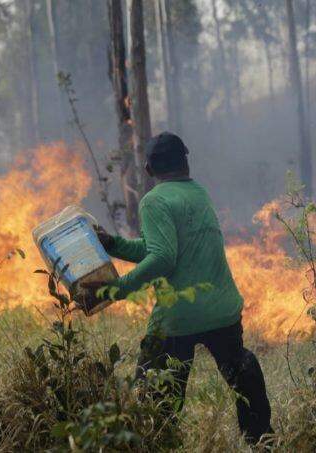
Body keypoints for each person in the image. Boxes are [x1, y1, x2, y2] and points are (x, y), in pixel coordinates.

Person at [88, 132, 272, 444]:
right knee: (240, 374)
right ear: (186, 162)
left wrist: (117, 289)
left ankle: (156, 442)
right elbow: (161, 247)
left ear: (148, 170)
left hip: (179, 317)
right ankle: (262, 440)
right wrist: (114, 245)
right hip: (223, 310)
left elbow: (162, 257)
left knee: (153, 405)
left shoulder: (155, 200)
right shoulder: (198, 193)